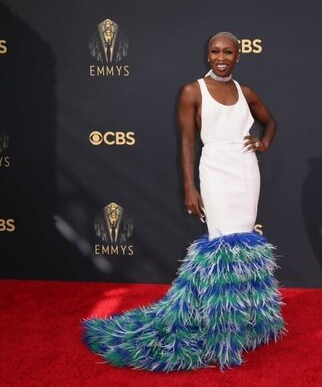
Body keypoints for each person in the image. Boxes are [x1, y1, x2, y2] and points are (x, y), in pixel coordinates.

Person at [82, 31, 286, 371]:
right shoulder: (193, 91)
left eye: (228, 52)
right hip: (215, 171)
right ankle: (221, 330)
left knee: (245, 246)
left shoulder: (244, 92)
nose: (221, 57)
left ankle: (250, 323)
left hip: (247, 172)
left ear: (239, 55)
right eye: (215, 51)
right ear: (208, 55)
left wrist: (262, 144)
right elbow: (188, 144)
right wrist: (190, 187)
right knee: (222, 246)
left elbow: (270, 123)